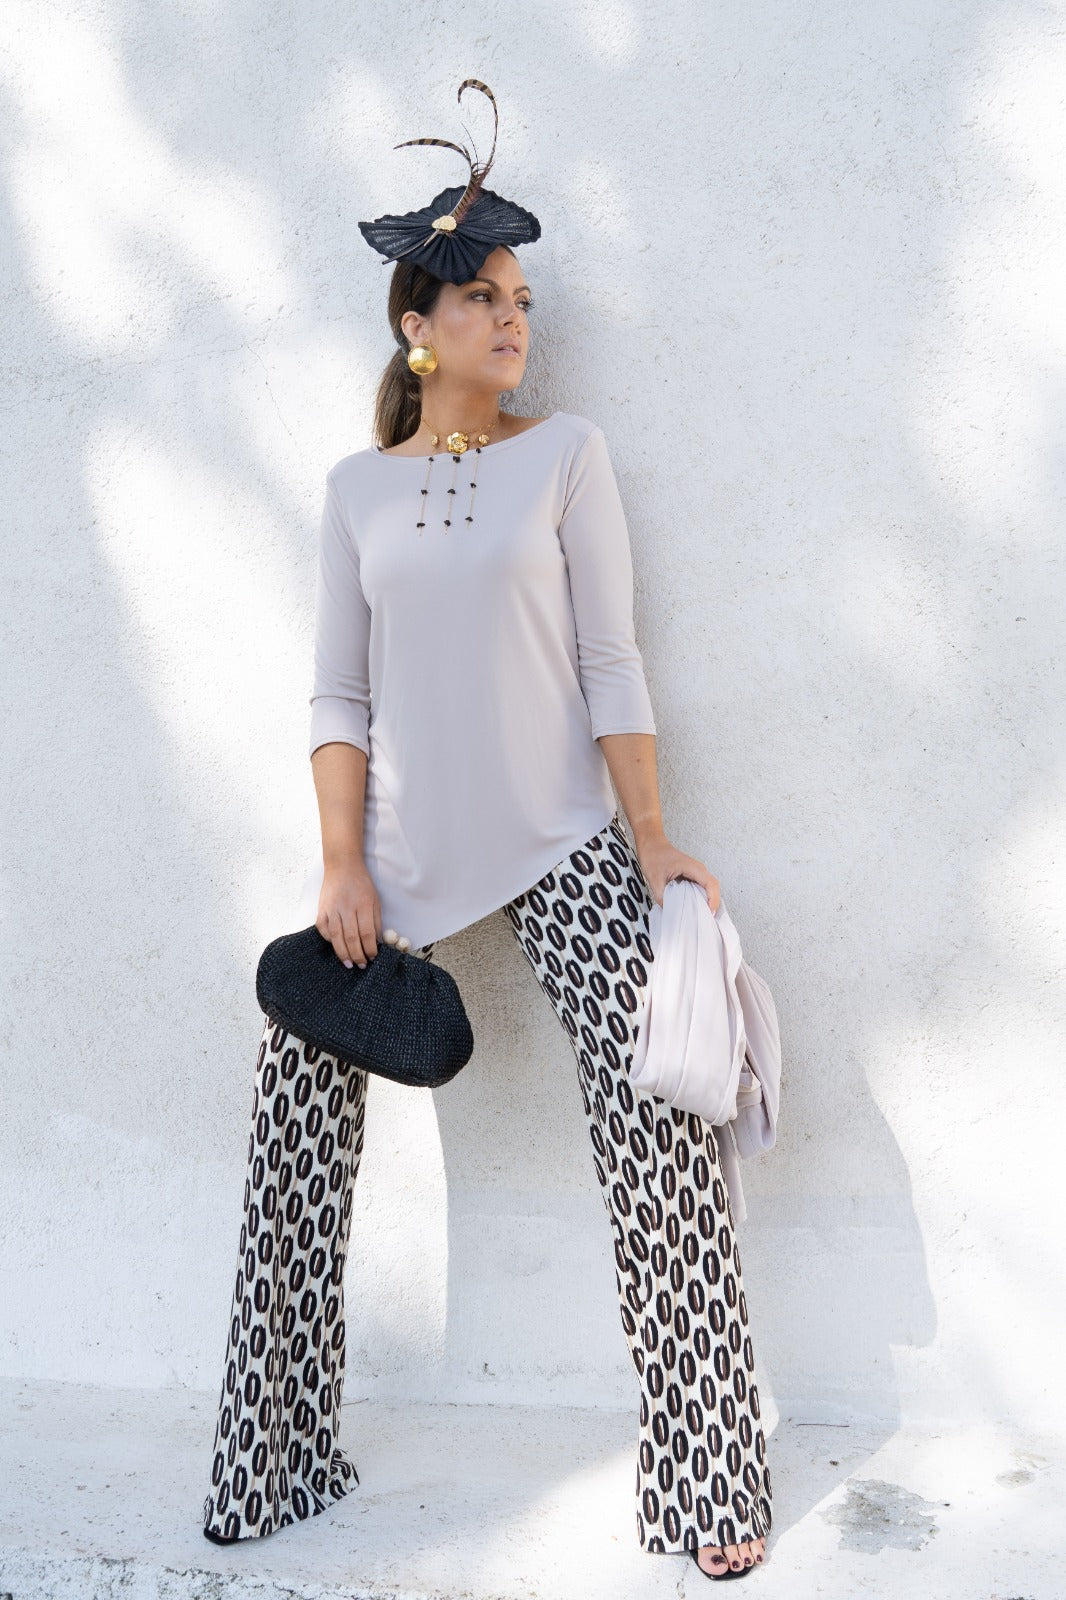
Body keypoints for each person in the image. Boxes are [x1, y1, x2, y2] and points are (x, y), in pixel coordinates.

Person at [202, 79, 772, 1582]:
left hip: (564, 838)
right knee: (290, 1121)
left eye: (521, 300)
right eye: (483, 299)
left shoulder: (565, 453)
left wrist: (653, 838)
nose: (513, 320)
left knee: (658, 1123)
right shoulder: (353, 491)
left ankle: (708, 1479)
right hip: (391, 860)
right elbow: (337, 694)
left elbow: (610, 660)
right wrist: (342, 866)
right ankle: (271, 1461)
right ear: (419, 326)